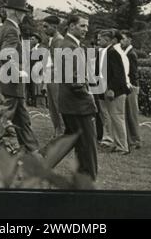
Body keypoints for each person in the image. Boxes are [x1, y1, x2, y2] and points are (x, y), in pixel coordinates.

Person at [55, 15, 98, 181]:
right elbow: (74, 80)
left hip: (70, 104)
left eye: (87, 26)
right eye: (82, 26)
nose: (86, 29)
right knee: (87, 146)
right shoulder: (70, 47)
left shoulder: (69, 45)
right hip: (78, 105)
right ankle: (88, 179)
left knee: (71, 142)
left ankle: (38, 162)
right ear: (71, 26)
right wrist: (89, 97)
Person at [0, 0, 39, 153]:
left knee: (23, 121)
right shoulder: (12, 30)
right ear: (14, 12)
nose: (23, 15)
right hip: (12, 84)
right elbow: (6, 54)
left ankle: (33, 153)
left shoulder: (4, 28)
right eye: (22, 12)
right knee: (2, 121)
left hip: (11, 84)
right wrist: (18, 72)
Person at [101, 30, 131, 154]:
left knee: (118, 118)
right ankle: (116, 143)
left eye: (102, 39)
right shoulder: (110, 51)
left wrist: (112, 89)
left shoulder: (113, 52)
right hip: (113, 89)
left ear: (112, 40)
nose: (100, 41)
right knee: (114, 118)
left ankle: (123, 146)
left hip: (117, 91)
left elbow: (118, 74)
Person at [41, 15, 65, 137]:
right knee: (52, 106)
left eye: (46, 26)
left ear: (54, 26)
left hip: (56, 76)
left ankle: (61, 131)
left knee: (57, 105)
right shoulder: (51, 40)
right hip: (50, 74)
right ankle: (58, 130)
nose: (43, 29)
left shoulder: (59, 40)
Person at [121, 30, 141, 149]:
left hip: (131, 87)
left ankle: (135, 140)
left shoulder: (131, 54)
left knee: (132, 114)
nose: (121, 41)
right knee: (128, 113)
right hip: (129, 86)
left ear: (129, 39)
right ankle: (131, 139)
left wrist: (132, 87)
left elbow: (133, 73)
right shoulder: (126, 53)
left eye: (123, 39)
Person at [26, 33, 42, 107]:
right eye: (30, 39)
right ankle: (28, 100)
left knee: (34, 86)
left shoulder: (39, 49)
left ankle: (34, 101)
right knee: (28, 85)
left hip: (35, 70)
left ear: (37, 40)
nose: (30, 40)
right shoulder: (29, 49)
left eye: (32, 39)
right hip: (28, 70)